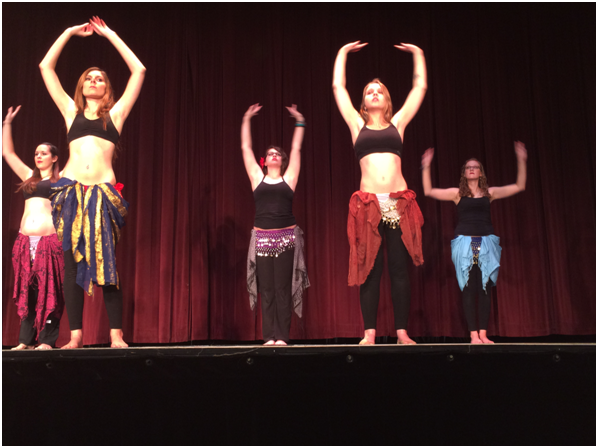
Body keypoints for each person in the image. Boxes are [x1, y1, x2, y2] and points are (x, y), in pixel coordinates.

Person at [39, 17, 146, 348]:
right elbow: (46, 66)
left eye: (100, 78)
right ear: (82, 86)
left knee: (107, 264)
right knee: (72, 267)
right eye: (89, 77)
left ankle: (116, 335)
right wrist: (69, 32)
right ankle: (75, 337)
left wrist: (111, 34)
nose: (94, 80)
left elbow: (139, 70)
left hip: (102, 195)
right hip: (70, 194)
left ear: (106, 88)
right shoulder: (71, 112)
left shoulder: (115, 116)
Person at [333, 41, 427, 345]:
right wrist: (343, 54)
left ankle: (402, 332)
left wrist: (419, 55)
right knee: (370, 269)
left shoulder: (398, 123)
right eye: (368, 91)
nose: (374, 93)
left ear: (386, 100)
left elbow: (419, 88)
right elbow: (338, 87)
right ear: (363, 102)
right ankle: (369, 333)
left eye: (379, 90)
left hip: (398, 204)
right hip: (368, 204)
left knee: (399, 269)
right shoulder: (356, 124)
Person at [421, 142, 527, 343]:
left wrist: (521, 161)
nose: (471, 169)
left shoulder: (490, 193)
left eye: (475, 167)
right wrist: (426, 166)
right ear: (464, 173)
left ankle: (483, 334)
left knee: (484, 287)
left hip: (486, 242)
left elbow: (519, 186)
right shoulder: (457, 194)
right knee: (470, 288)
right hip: (466, 244)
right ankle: (473, 334)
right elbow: (428, 191)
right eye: (468, 167)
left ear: (480, 172)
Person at [242, 103, 310, 346]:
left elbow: (296, 147)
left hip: (286, 238)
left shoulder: (289, 178)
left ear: (282, 161)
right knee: (267, 289)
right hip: (261, 239)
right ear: (265, 160)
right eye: (269, 153)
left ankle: (282, 336)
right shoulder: (256, 178)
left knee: (282, 288)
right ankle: (268, 336)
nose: (273, 155)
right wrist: (247, 119)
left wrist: (299, 121)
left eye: (277, 154)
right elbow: (246, 147)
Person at [2, 106, 64, 350]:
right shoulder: (29, 176)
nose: (38, 156)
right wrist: (7, 123)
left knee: (50, 292)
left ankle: (47, 340)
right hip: (24, 243)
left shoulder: (62, 179)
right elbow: (7, 153)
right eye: (36, 152)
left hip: (49, 242)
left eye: (44, 153)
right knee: (27, 292)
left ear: (54, 157)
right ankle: (24, 341)